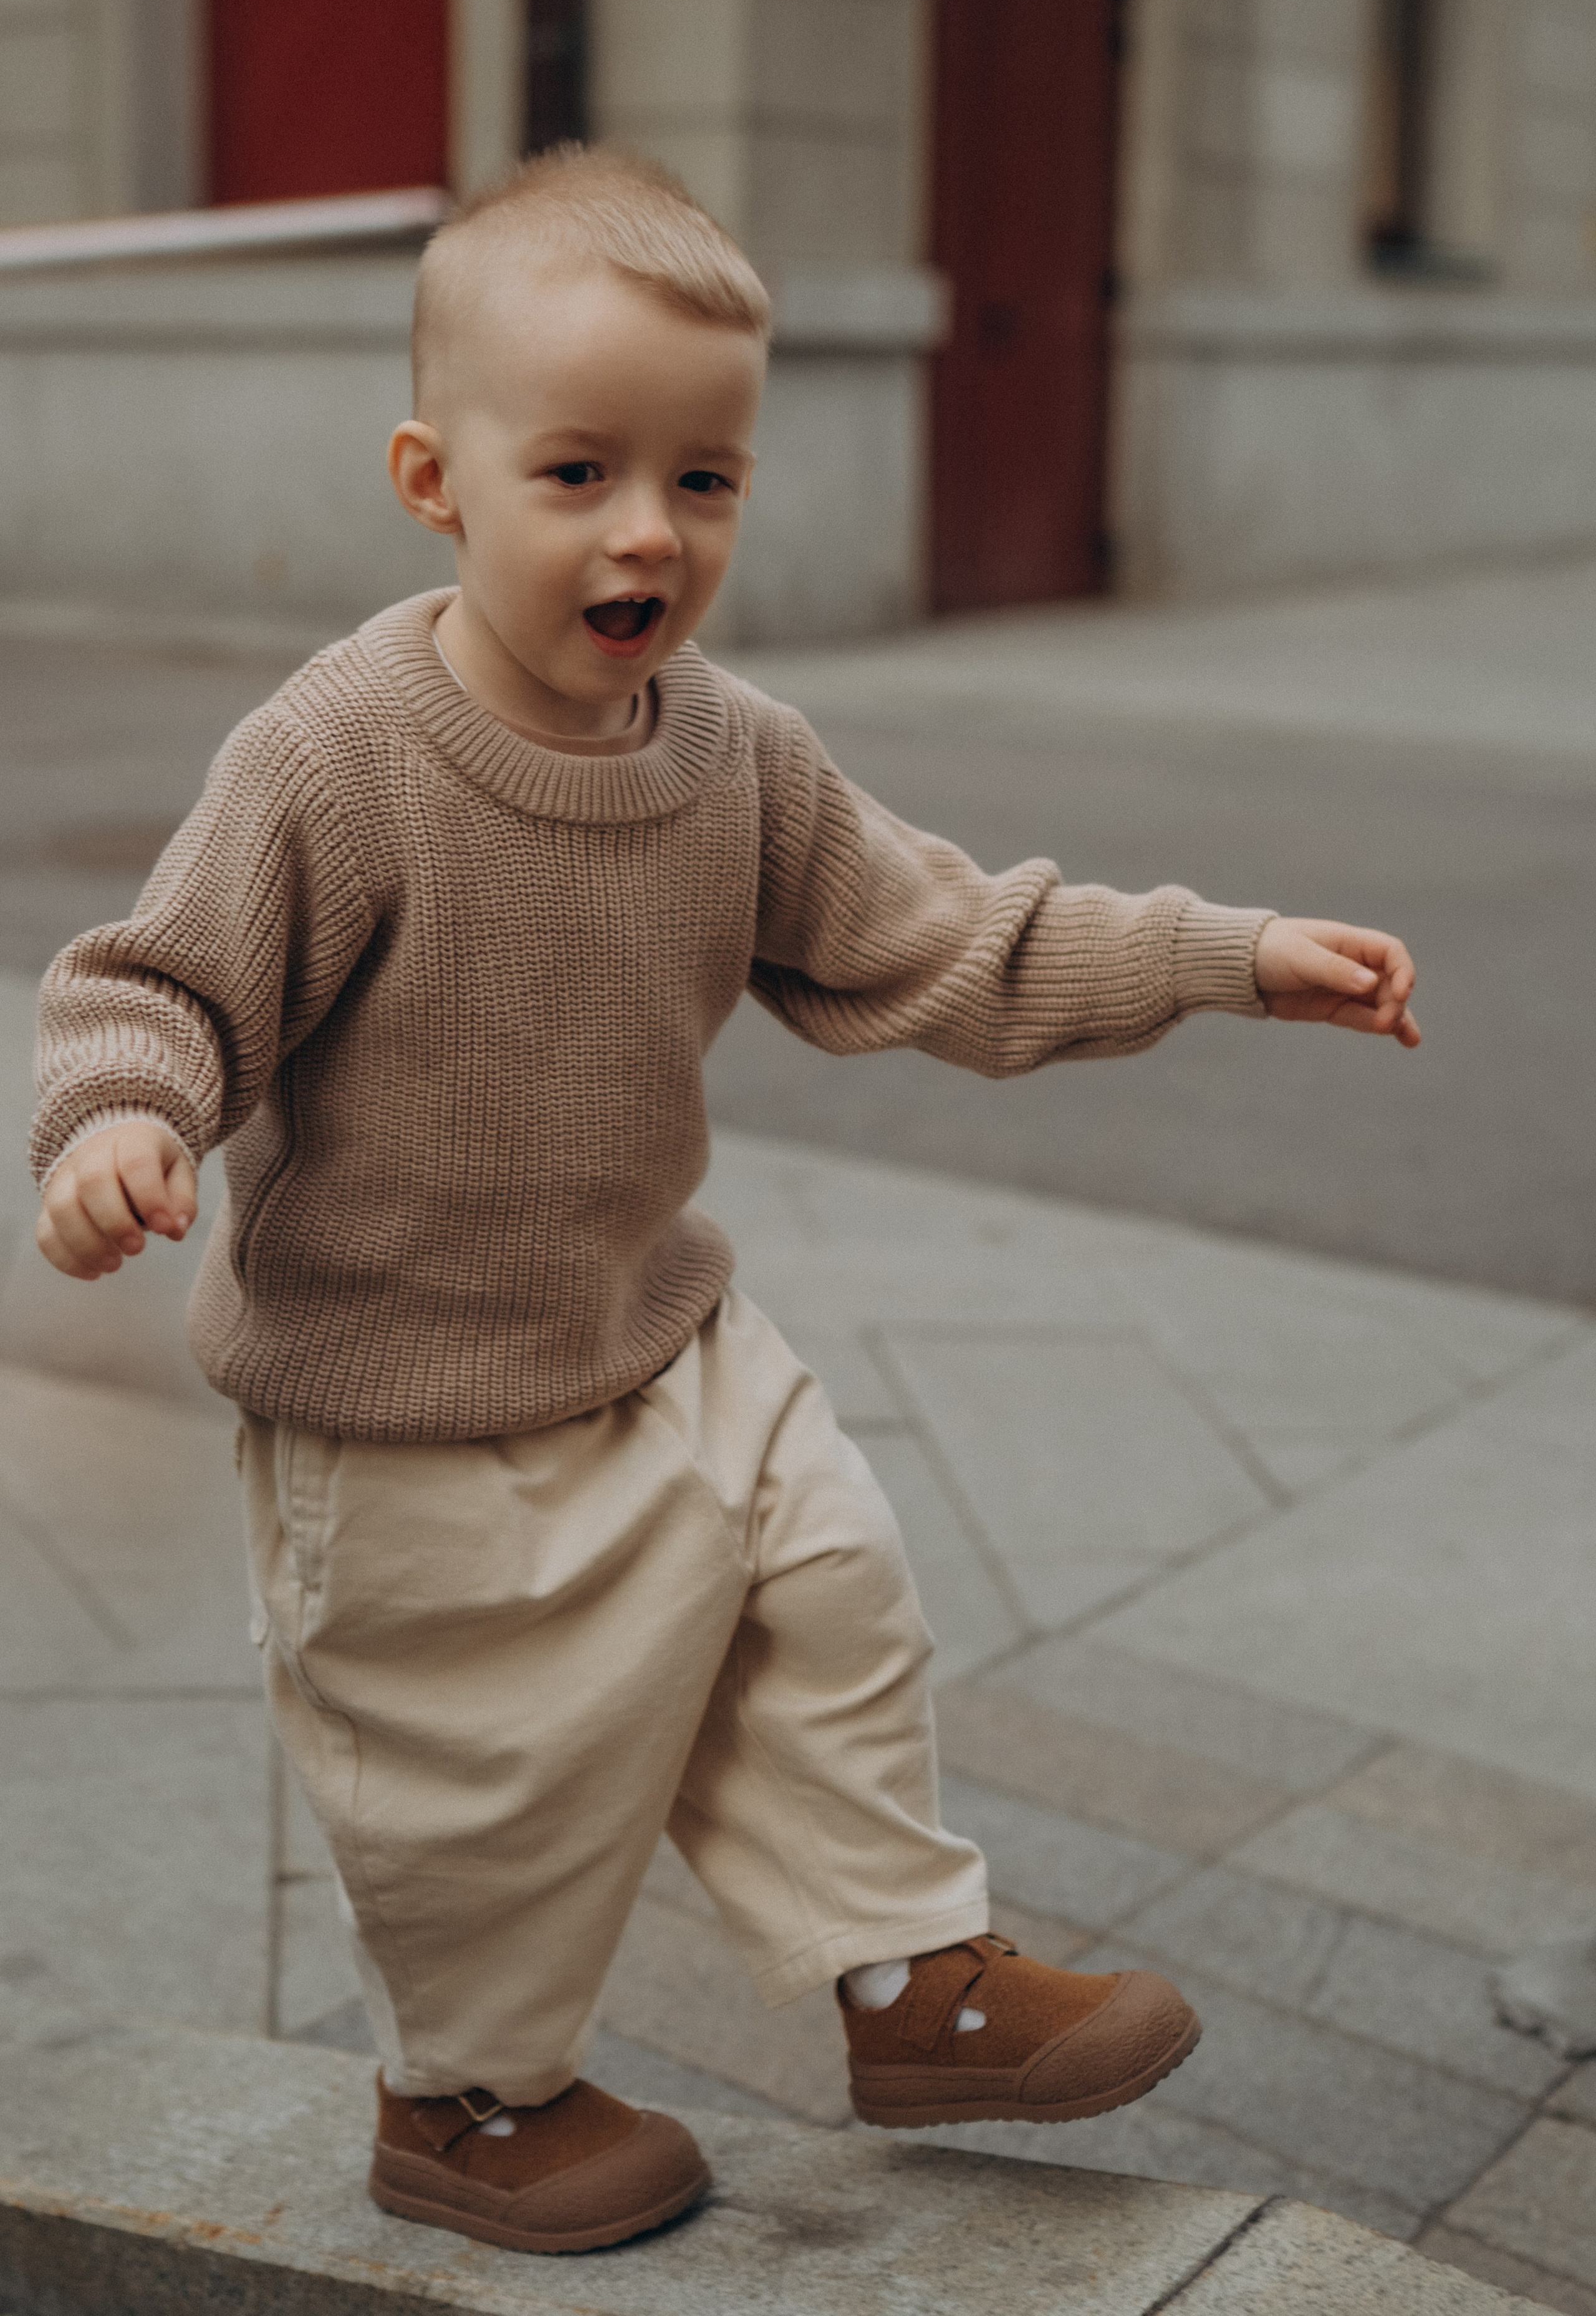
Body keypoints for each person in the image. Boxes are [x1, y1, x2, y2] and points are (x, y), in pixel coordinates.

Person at [30, 146, 1420, 2260]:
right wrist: (118, 1127)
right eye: (580, 471)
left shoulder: (740, 759)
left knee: (831, 1584)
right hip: (400, 1406)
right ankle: (471, 2103)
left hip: (657, 1332)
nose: (647, 533)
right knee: (485, 1788)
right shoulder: (338, 753)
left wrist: (1230, 956)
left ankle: (909, 1980)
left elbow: (956, 943)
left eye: (706, 481)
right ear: (435, 476)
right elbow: (163, 984)